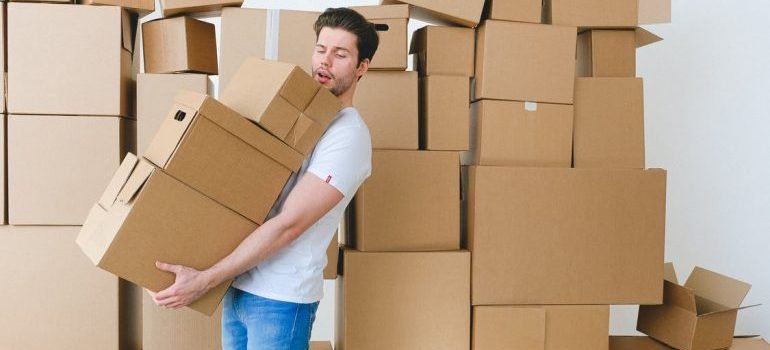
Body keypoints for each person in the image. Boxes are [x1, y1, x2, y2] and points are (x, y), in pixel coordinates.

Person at [147, 7, 379, 350]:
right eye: (321, 49)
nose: (325, 62)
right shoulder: (295, 116)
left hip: (280, 299)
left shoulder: (349, 135)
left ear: (362, 67)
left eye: (340, 54)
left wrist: (206, 279)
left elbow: (289, 224)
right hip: (239, 286)